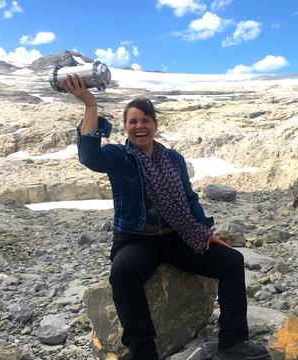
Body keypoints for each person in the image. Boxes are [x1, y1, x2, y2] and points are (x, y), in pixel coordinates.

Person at [62, 74, 269, 360]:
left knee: (232, 261)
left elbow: (189, 198)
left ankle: (233, 345)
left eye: (145, 120)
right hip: (136, 241)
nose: (139, 126)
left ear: (155, 125)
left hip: (176, 237)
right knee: (122, 273)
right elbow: (89, 156)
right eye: (133, 121)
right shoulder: (121, 158)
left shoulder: (173, 159)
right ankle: (143, 351)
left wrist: (205, 232)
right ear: (125, 128)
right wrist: (90, 105)